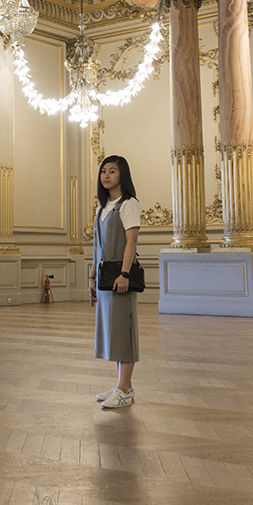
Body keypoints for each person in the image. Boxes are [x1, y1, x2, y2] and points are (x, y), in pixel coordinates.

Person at [87, 155, 140, 409]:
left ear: (122, 175)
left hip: (120, 278)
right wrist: (92, 276)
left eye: (112, 171)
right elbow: (97, 248)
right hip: (104, 279)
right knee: (113, 332)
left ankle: (124, 390)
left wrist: (125, 274)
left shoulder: (129, 204)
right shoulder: (102, 208)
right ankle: (122, 384)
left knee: (124, 332)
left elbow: (131, 242)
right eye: (103, 171)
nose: (106, 176)